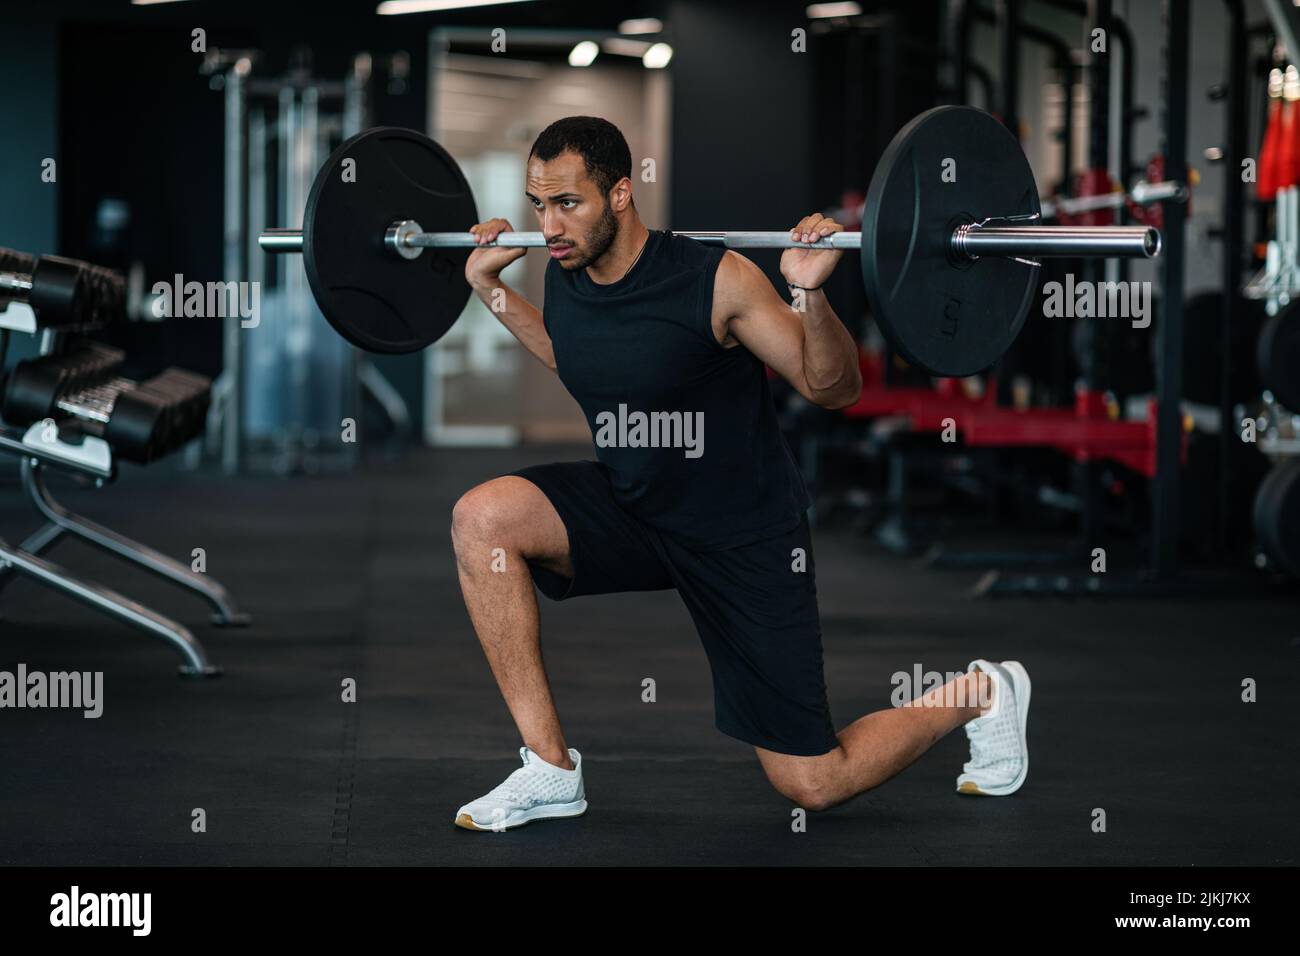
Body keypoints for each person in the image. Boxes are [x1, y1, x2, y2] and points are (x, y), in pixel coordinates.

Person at [450, 115, 1030, 831]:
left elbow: (833, 388)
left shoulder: (717, 279)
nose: (549, 223)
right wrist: (491, 290)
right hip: (637, 506)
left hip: (742, 535)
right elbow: (583, 361)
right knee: (483, 518)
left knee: (813, 783)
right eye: (538, 204)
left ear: (622, 194)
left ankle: (981, 691)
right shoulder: (566, 272)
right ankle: (549, 769)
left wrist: (810, 295)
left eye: (568, 202)